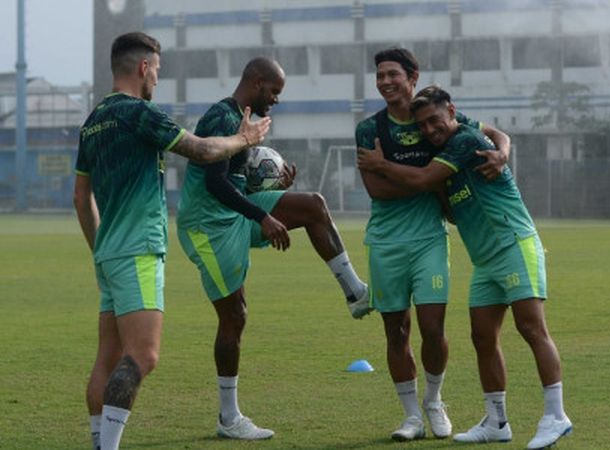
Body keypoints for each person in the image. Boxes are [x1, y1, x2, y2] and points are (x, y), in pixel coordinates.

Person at [74, 32, 271, 450]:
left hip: (109, 253)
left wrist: (100, 250)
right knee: (143, 356)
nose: (157, 80)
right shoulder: (139, 113)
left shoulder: (93, 121)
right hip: (139, 249)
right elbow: (200, 150)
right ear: (143, 67)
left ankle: (98, 443)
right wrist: (245, 139)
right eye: (157, 71)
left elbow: (80, 197)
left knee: (107, 359)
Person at [357, 85, 572, 450]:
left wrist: (380, 165)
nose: (429, 129)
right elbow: (453, 198)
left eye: (434, 120)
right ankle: (496, 420)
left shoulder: (463, 139)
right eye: (422, 124)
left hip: (513, 245)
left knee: (532, 329)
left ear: (452, 112)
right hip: (485, 260)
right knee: (483, 337)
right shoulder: (447, 151)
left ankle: (556, 415)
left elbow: (425, 178)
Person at [175, 57, 369, 440]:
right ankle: (228, 419)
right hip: (207, 227)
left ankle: (355, 293)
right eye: (275, 91)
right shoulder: (221, 117)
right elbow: (215, 182)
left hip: (234, 213)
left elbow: (237, 180)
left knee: (312, 204)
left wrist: (273, 185)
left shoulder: (246, 119)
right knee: (235, 316)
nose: (277, 100)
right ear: (257, 82)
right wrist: (262, 216)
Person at [355, 48, 511, 442]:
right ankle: (410, 417)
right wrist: (428, 179)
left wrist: (503, 155)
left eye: (393, 74)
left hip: (429, 238)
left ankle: (434, 401)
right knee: (396, 332)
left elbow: (492, 134)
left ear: (412, 77)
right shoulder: (369, 129)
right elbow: (375, 188)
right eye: (380, 75)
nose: (385, 81)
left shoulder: (435, 119)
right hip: (385, 241)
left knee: (433, 328)